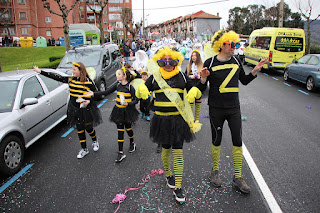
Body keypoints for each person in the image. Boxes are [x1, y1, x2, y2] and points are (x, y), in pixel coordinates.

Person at [198, 30, 267, 194]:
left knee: (238, 140)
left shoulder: (237, 60)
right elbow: (200, 89)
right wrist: (203, 78)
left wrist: (255, 70)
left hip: (234, 108)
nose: (236, 47)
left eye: (237, 44)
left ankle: (238, 177)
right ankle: (215, 172)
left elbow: (243, 81)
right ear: (222, 45)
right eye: (233, 44)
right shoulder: (210, 62)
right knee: (217, 140)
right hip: (216, 109)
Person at [136, 46, 202, 202]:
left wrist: (194, 91)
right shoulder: (154, 77)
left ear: (176, 61)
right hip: (161, 121)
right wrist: (140, 89)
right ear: (158, 62)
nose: (167, 63)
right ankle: (169, 176)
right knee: (165, 149)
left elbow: (196, 90)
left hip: (178, 121)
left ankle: (178, 187)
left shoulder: (181, 76)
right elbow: (142, 90)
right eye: (163, 61)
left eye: (170, 60)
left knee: (178, 152)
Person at [33, 62, 102, 159]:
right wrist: (40, 71)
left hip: (86, 109)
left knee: (89, 128)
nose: (72, 71)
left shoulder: (88, 82)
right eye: (72, 69)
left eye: (74, 69)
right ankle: (84, 149)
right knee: (80, 129)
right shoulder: (70, 80)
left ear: (80, 71)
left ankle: (95, 142)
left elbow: (96, 94)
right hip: (75, 109)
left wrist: (88, 101)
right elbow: (56, 77)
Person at [85, 67, 139, 163]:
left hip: (128, 112)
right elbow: (106, 92)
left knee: (128, 129)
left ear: (124, 76)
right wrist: (93, 93)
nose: (117, 75)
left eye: (119, 74)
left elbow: (136, 100)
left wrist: (128, 104)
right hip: (118, 111)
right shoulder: (117, 85)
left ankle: (132, 143)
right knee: (120, 131)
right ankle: (121, 152)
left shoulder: (131, 88)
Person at [185, 50, 203, 122]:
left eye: (195, 55)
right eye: (192, 55)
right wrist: (190, 76)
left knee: (198, 103)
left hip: (199, 86)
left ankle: (197, 120)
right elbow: (185, 76)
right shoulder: (189, 66)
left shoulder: (202, 65)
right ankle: (190, 120)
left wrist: (200, 76)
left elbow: (206, 77)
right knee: (190, 103)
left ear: (198, 57)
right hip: (190, 86)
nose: (193, 57)